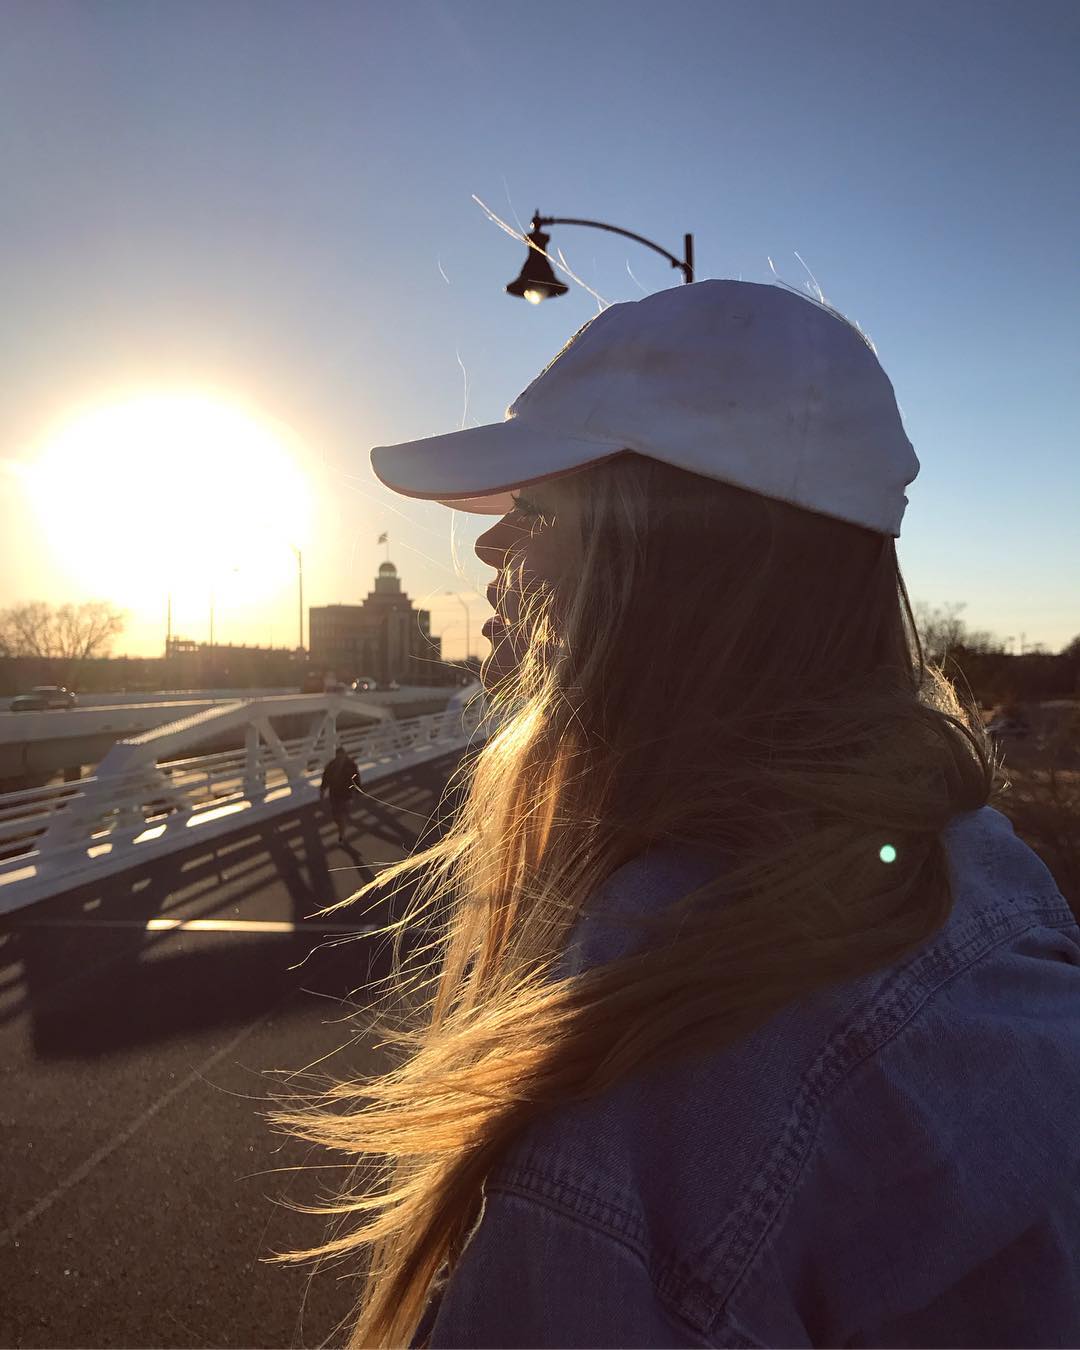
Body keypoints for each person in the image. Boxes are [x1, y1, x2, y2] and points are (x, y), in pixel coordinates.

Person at [274, 280, 1080, 1348]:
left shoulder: (651, 1066)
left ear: (668, 561)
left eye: (537, 508)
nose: (491, 547)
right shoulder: (977, 864)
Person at [319, 743, 361, 844]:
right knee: (336, 816)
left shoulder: (351, 765)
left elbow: (356, 778)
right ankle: (342, 827)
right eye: (339, 756)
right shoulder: (331, 766)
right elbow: (325, 779)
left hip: (347, 794)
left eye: (342, 756)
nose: (341, 758)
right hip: (335, 794)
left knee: (342, 813)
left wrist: (358, 791)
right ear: (336, 756)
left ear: (345, 755)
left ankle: (342, 834)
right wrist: (322, 791)